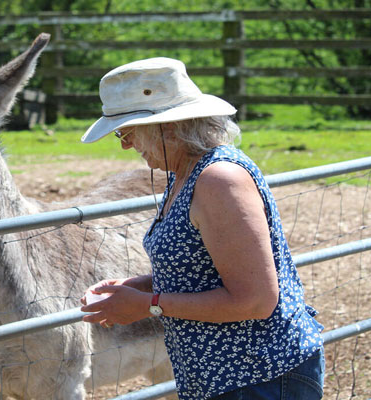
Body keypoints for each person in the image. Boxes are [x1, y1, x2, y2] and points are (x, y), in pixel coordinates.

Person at [79, 58, 325, 399]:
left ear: (167, 128)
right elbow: (205, 268)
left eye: (126, 132)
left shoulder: (219, 180)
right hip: (225, 375)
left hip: (258, 375)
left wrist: (147, 304)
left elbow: (255, 300)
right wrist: (138, 286)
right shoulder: (186, 174)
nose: (124, 144)